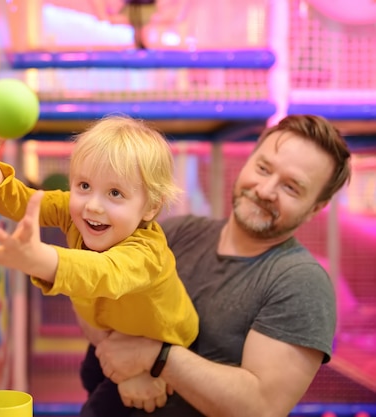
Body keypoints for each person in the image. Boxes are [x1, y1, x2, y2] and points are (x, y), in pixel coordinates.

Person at [80, 114, 352, 416]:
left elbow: (262, 407)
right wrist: (128, 369)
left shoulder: (300, 283)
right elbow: (92, 292)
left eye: (291, 187)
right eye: (263, 168)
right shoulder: (177, 234)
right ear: (248, 161)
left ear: (315, 208)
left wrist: (156, 357)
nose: (265, 190)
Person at [0, 109, 199, 416]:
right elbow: (24, 202)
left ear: (150, 207)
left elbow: (103, 272)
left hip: (167, 347)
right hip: (114, 330)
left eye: (115, 193)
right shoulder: (73, 212)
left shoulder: (147, 253)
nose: (93, 205)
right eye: (84, 186)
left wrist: (43, 260)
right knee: (90, 374)